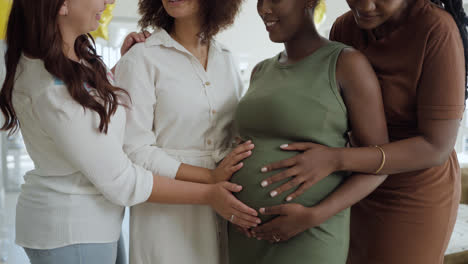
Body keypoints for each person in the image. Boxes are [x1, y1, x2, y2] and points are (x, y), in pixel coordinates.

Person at [0, 0, 259, 263]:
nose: (109, 1)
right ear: (62, 5)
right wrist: (208, 185)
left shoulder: (74, 62)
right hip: (70, 227)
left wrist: (118, 72)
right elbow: (121, 179)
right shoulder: (51, 87)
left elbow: (87, 104)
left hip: (95, 224)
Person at [257, 0, 467, 263]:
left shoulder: (436, 29)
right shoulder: (345, 29)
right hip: (356, 186)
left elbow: (436, 147)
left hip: (414, 189)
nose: (365, 6)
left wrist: (336, 159)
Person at [227, 0, 389, 263]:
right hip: (245, 237)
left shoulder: (347, 64)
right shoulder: (261, 70)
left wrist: (314, 216)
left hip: (311, 235)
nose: (264, 9)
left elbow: (379, 164)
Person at [113, 0, 249, 263]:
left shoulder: (226, 59)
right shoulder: (141, 58)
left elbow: (234, 135)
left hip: (223, 206)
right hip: (164, 208)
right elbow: (134, 150)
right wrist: (210, 177)